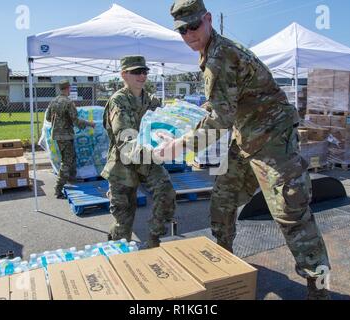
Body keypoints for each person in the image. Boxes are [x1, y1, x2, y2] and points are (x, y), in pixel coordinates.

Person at [158, 0, 331, 300]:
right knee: (223, 199)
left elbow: (219, 121)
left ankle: (320, 291)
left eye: (193, 26)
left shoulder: (219, 58)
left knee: (292, 215)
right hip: (247, 137)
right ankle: (224, 264)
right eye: (182, 30)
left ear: (208, 19)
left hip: (273, 140)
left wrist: (179, 146)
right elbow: (224, 107)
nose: (188, 35)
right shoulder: (211, 53)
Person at [101, 56, 176, 248]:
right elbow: (124, 138)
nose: (142, 76)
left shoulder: (152, 100)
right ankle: (119, 248)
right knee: (124, 215)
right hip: (122, 162)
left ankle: (154, 239)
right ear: (124, 74)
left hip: (148, 158)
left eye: (144, 72)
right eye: (136, 72)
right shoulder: (118, 100)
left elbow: (164, 126)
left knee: (166, 192)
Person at [46, 79, 95, 199]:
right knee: (67, 161)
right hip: (66, 135)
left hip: (57, 135)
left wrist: (58, 121)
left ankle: (72, 179)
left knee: (71, 157)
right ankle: (58, 189)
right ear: (68, 88)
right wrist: (90, 124)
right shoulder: (68, 102)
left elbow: (48, 118)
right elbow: (76, 121)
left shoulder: (53, 101)